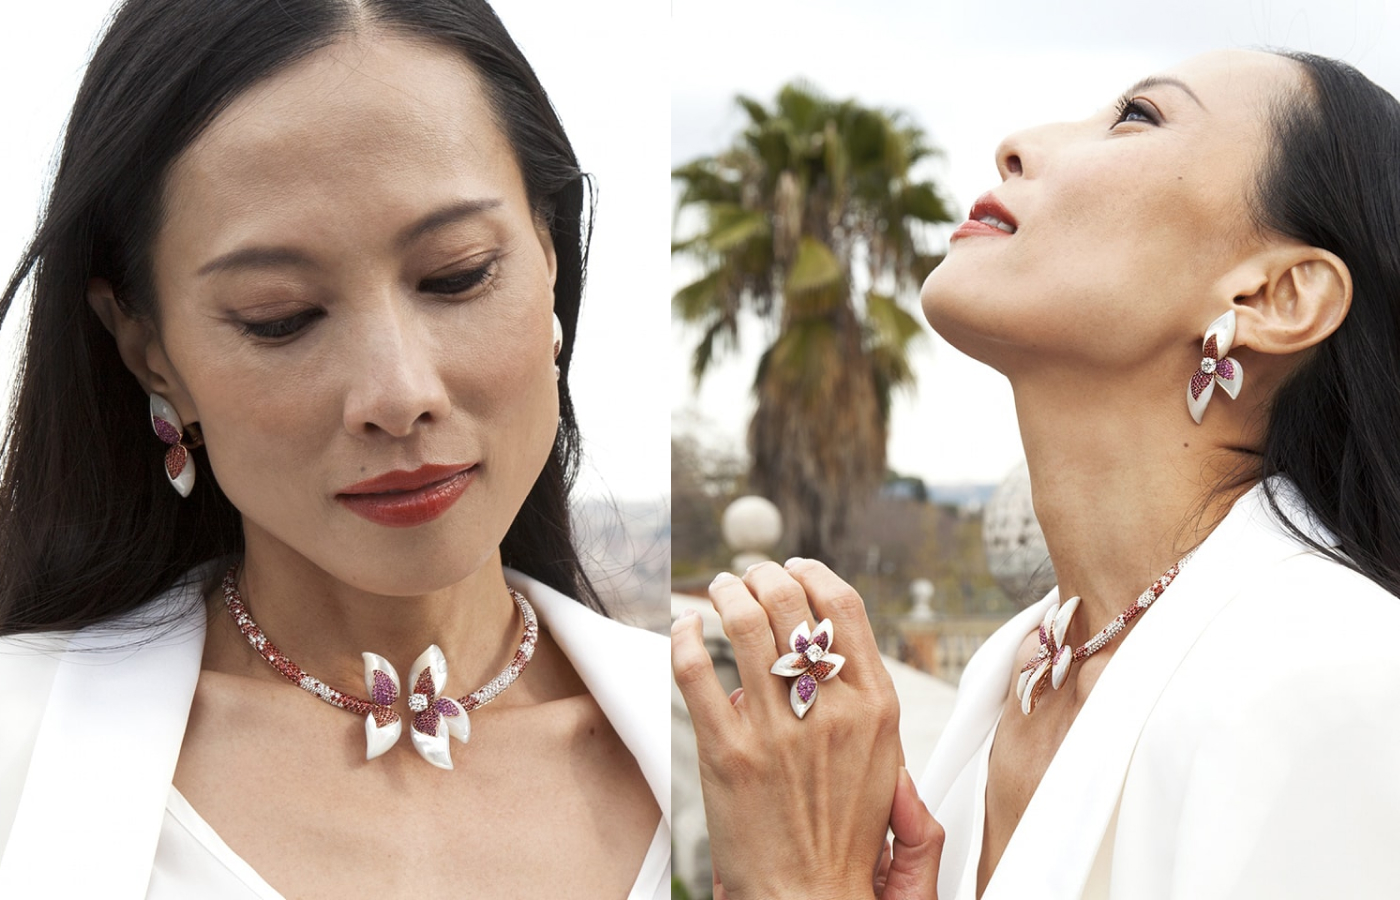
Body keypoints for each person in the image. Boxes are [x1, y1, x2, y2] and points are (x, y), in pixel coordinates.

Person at [672, 48, 1400, 899]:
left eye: (1139, 116)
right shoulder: (1010, 673)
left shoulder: (1335, 680)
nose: (1015, 146)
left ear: (1274, 297)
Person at [0, 1, 668, 897]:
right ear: (147, 349)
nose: (398, 395)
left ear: (549, 252)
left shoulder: (759, 744)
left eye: (457, 274)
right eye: (280, 317)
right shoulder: (21, 746)